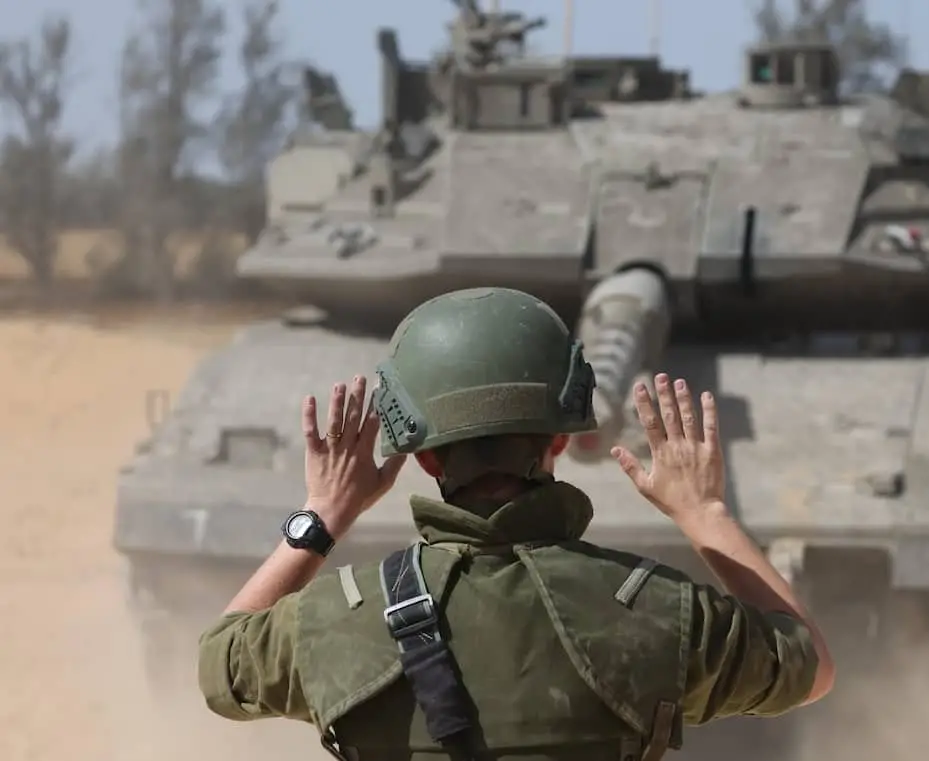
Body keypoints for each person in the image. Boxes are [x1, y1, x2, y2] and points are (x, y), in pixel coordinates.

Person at [197, 287, 834, 761]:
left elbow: (219, 665)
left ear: (423, 457)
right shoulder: (658, 610)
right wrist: (705, 513)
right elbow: (810, 666)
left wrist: (324, 515)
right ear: (560, 439)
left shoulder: (332, 618)